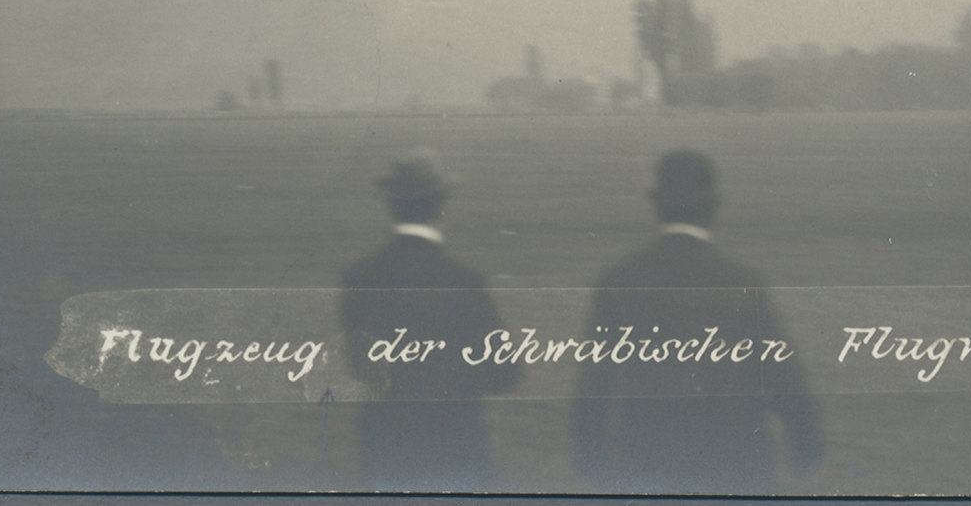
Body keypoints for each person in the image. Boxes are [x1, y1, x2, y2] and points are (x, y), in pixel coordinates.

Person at [571, 149, 823, 493]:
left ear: (656, 203)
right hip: (738, 463)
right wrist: (805, 448)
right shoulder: (742, 282)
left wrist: (591, 458)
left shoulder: (618, 280)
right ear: (713, 205)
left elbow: (594, 382)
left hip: (647, 461)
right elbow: (785, 375)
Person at [340, 152, 521, 491]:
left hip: (386, 445)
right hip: (456, 443)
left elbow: (358, 365)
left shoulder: (359, 277)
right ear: (441, 206)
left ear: (391, 206)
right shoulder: (464, 280)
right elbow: (504, 374)